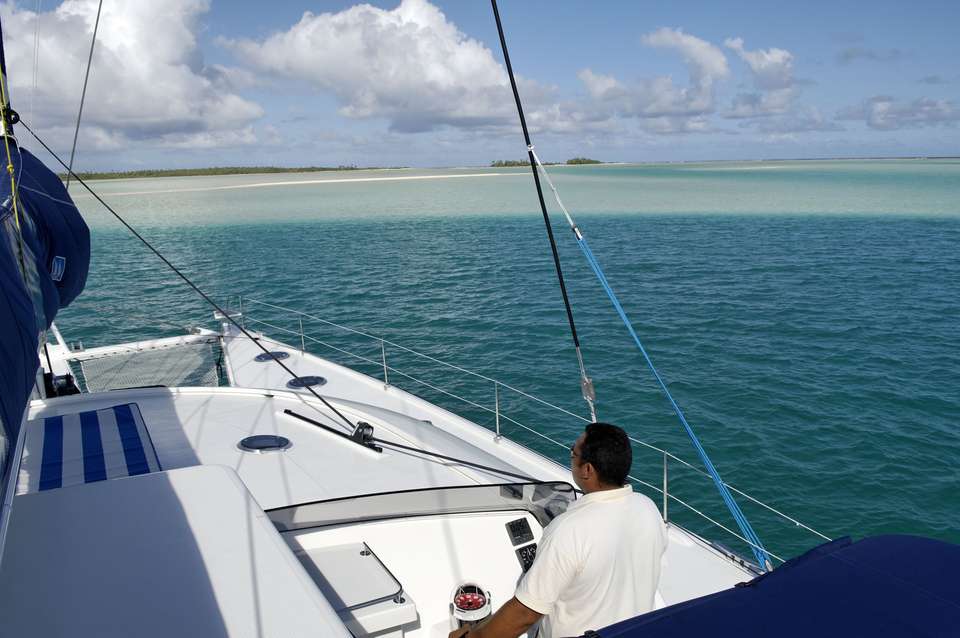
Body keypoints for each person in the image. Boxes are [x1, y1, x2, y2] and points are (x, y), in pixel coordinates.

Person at [449, 422, 667, 638]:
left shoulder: (568, 529)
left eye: (573, 453)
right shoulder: (647, 507)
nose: (571, 457)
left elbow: (525, 613)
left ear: (587, 470)